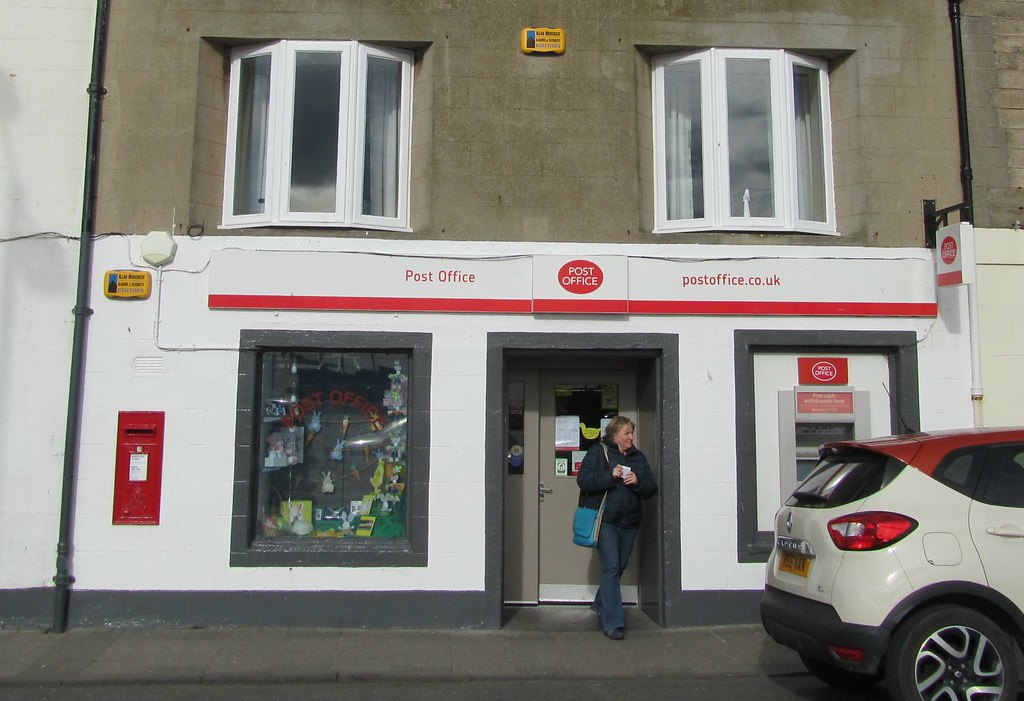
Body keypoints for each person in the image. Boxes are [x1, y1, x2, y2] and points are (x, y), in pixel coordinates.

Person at [576, 415, 658, 640]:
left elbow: (651, 489)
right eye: (627, 433)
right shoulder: (598, 453)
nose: (631, 437)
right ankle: (613, 622)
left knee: (620, 565)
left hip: (630, 521)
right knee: (611, 567)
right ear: (615, 435)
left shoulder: (637, 457)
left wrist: (638, 482)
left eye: (632, 433)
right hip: (606, 521)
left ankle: (601, 602)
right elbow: (584, 480)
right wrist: (610, 476)